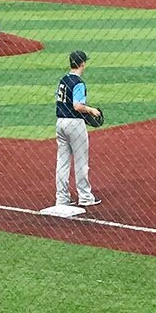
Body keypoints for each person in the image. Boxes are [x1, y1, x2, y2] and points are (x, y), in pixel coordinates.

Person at [54, 49, 102, 210]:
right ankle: (85, 196)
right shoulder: (78, 83)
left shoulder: (63, 80)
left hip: (60, 122)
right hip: (74, 124)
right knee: (81, 161)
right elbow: (77, 106)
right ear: (82, 64)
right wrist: (91, 110)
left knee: (62, 162)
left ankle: (62, 198)